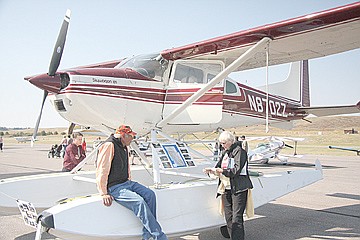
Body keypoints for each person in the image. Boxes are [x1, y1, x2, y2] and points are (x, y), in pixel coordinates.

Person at [96, 125, 167, 240]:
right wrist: (103, 192)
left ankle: (147, 235)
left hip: (126, 183)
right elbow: (102, 169)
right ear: (124, 136)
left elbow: (126, 166)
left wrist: (128, 179)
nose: (133, 139)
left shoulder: (124, 146)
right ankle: (159, 236)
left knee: (150, 195)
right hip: (115, 187)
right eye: (131, 136)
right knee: (139, 202)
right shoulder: (109, 145)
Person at [204, 131, 253, 240]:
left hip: (239, 188)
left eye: (224, 143)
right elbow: (218, 166)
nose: (222, 145)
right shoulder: (224, 152)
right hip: (226, 188)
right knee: (229, 217)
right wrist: (211, 171)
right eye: (221, 143)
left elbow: (235, 170)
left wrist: (222, 171)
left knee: (236, 218)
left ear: (231, 141)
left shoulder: (240, 152)